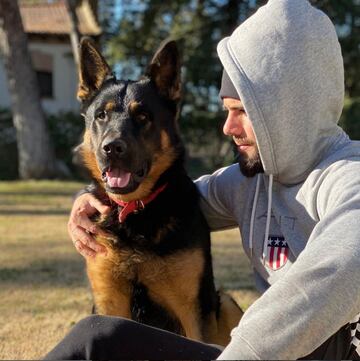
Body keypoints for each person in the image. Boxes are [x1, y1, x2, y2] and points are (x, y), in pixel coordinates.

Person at [46, 0, 360, 359]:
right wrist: (89, 200)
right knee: (97, 336)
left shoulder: (349, 178)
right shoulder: (249, 183)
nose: (228, 128)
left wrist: (240, 353)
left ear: (289, 109)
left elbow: (334, 278)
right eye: (227, 110)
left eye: (242, 111)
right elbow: (168, 203)